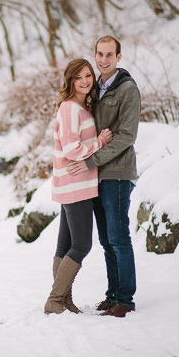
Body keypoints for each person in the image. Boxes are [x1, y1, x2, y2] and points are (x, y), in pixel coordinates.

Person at [66, 35, 141, 318]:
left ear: (118, 57)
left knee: (119, 237)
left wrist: (91, 160)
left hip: (117, 173)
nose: (104, 59)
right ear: (94, 55)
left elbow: (126, 136)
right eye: (100, 54)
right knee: (107, 240)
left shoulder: (127, 89)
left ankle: (125, 300)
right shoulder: (95, 88)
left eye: (110, 55)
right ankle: (112, 295)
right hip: (96, 174)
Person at [45, 58, 112, 315]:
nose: (85, 81)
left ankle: (62, 300)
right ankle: (55, 298)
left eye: (88, 75)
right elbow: (72, 149)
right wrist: (99, 142)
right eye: (78, 77)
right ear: (70, 80)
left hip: (74, 184)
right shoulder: (70, 108)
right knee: (82, 244)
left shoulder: (80, 107)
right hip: (76, 184)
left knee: (66, 244)